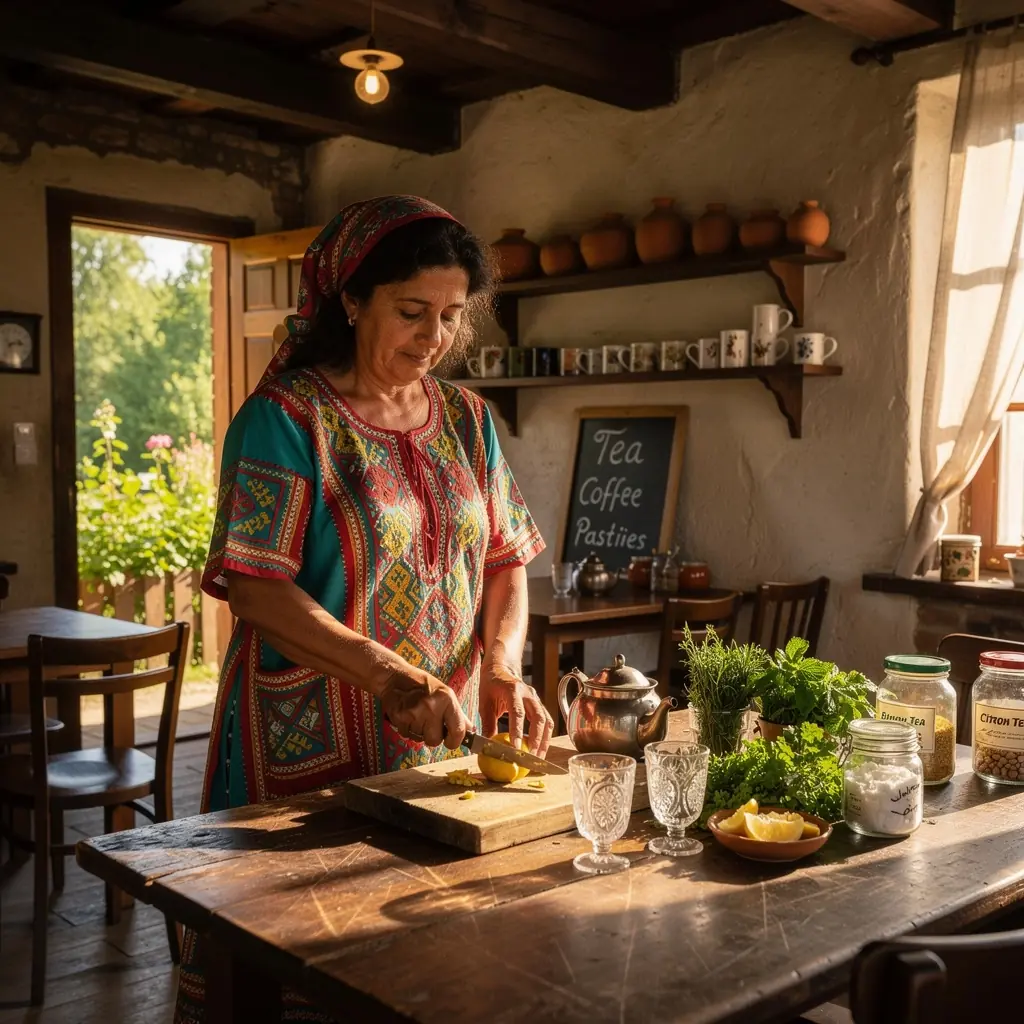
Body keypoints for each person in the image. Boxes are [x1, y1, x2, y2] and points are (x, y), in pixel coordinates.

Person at [174, 196, 550, 1023]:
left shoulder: (468, 421)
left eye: (451, 316)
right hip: (306, 742)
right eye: (412, 311)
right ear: (351, 300)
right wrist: (386, 675)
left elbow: (506, 561)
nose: (434, 336)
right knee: (302, 963)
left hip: (437, 746)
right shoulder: (286, 419)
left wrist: (501, 667)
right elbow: (255, 586)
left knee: (424, 964)